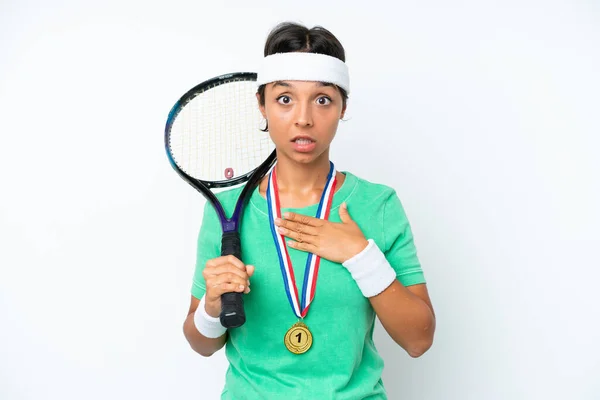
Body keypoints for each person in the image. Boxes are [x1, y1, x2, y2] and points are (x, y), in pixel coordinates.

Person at [182, 21, 436, 399]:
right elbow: (202, 344)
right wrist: (211, 306)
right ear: (262, 105)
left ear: (342, 107)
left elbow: (418, 339)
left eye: (322, 99)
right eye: (285, 99)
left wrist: (360, 256)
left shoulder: (378, 205)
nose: (303, 118)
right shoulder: (228, 210)